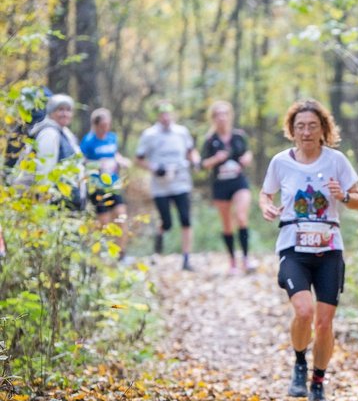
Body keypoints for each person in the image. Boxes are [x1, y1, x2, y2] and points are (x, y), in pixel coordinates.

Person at [259, 99, 358, 401]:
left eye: (312, 126)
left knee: (324, 323)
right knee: (304, 311)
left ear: (323, 130)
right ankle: (299, 362)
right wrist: (266, 205)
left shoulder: (336, 161)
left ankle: (318, 381)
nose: (306, 132)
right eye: (300, 126)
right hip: (293, 245)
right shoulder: (280, 162)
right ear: (291, 131)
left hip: (329, 247)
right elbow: (265, 193)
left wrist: (342, 195)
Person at [135, 101, 200, 271]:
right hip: (161, 185)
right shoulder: (149, 135)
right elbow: (139, 159)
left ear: (172, 115)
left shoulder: (181, 132)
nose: (165, 117)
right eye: (162, 114)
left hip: (181, 182)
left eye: (168, 113)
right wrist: (156, 168)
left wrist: (196, 161)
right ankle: (158, 245)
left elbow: (191, 151)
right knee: (167, 222)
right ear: (157, 116)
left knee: (185, 219)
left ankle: (186, 258)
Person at [200, 100, 256, 274]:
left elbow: (248, 152)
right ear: (213, 118)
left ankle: (246, 258)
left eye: (225, 114)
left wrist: (248, 157)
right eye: (218, 115)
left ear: (229, 116)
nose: (222, 118)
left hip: (239, 182)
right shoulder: (210, 140)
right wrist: (216, 159)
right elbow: (202, 165)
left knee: (240, 217)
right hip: (220, 184)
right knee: (227, 224)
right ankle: (232, 262)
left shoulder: (239, 135)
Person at [15, 93, 85, 210]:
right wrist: (44, 201)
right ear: (51, 112)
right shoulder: (49, 133)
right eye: (60, 109)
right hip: (54, 202)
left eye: (68, 110)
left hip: (67, 201)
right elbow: (44, 168)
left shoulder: (66, 133)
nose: (65, 114)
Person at [81, 108, 131, 259]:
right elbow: (81, 162)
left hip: (114, 185)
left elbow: (114, 154)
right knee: (103, 222)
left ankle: (121, 253)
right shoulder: (88, 141)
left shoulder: (112, 138)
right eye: (102, 126)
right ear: (95, 125)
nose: (105, 129)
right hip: (97, 186)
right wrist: (97, 164)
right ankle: (100, 256)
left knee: (122, 217)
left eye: (107, 125)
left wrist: (120, 160)